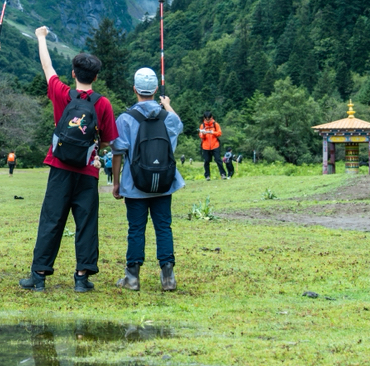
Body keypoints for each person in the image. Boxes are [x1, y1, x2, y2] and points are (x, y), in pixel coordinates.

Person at [19, 26, 117, 293]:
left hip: (60, 166)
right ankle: (82, 277)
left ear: (73, 73)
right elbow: (107, 139)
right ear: (95, 76)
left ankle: (38, 276)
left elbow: (47, 66)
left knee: (52, 218)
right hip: (88, 171)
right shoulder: (103, 104)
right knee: (86, 222)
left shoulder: (61, 93)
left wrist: (41, 38)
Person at [112, 67, 184, 292]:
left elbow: (117, 152)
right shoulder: (168, 118)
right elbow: (178, 125)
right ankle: (168, 278)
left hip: (135, 185)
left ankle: (132, 278)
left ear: (134, 89)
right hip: (164, 184)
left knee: (136, 229)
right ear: (155, 89)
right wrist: (168, 104)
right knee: (163, 227)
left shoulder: (125, 119)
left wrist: (116, 183)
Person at [199, 112, 224, 180]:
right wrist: (204, 133)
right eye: (206, 119)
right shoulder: (202, 125)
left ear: (211, 117)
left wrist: (212, 132)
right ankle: (207, 176)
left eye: (209, 119)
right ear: (204, 118)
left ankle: (223, 174)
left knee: (218, 160)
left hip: (215, 145)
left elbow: (219, 133)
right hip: (206, 146)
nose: (208, 120)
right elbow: (201, 136)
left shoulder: (215, 124)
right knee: (206, 161)